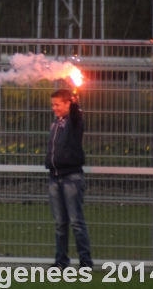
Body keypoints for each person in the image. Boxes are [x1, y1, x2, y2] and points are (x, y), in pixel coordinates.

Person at [45, 88, 92, 270]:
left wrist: (75, 98)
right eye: (53, 105)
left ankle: (85, 263)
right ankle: (61, 262)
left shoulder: (74, 120)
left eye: (57, 105)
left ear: (68, 104)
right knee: (59, 223)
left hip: (71, 177)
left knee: (76, 222)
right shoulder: (56, 123)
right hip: (55, 177)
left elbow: (76, 113)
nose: (54, 108)